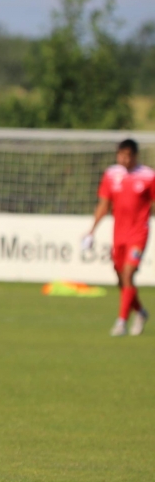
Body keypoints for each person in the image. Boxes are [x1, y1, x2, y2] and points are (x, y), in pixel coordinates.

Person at [84, 139, 153, 336]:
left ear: (135, 155)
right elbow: (104, 204)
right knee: (121, 279)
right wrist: (91, 231)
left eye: (128, 155)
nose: (124, 159)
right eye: (121, 155)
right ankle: (140, 312)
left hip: (139, 234)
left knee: (128, 274)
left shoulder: (148, 176)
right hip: (119, 234)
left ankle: (121, 322)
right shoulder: (111, 174)